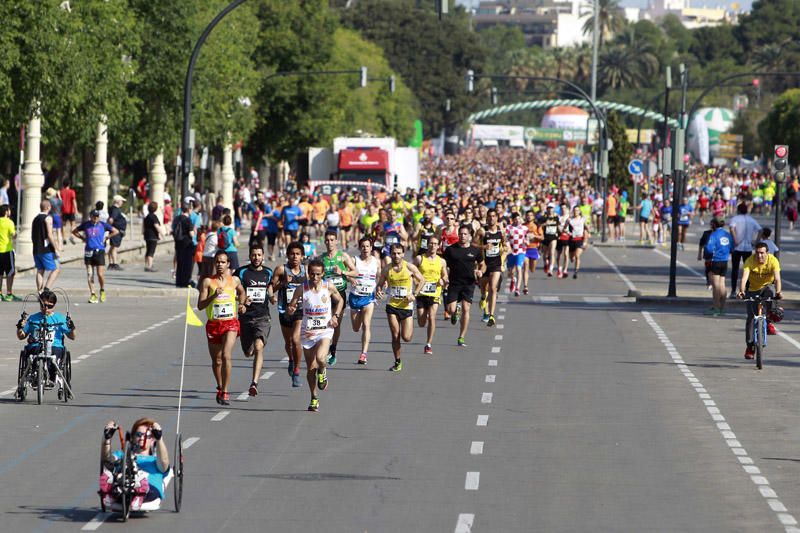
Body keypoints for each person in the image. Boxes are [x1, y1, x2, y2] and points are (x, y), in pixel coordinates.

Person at [286, 258, 344, 412]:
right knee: (311, 367)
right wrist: (291, 310)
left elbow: (340, 301)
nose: (315, 277)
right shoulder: (302, 289)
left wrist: (335, 316)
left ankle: (323, 370)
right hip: (308, 332)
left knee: (320, 358)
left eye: (318, 274)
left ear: (323, 274)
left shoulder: (328, 287)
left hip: (325, 330)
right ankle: (314, 397)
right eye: (312, 274)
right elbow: (291, 305)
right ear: (308, 273)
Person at [198, 250, 247, 405]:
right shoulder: (208, 282)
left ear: (228, 264)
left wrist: (242, 304)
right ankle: (219, 386)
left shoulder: (234, 280)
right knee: (217, 361)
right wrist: (213, 296)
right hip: (213, 324)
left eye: (223, 262)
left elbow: (242, 292)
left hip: (230, 323)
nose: (220, 265)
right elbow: (200, 305)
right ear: (214, 263)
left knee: (226, 355)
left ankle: (225, 391)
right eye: (217, 262)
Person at [99, 418, 170, 511]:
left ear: (153, 440)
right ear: (132, 437)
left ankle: (139, 489)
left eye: (147, 436)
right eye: (139, 434)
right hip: (123, 485)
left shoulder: (155, 460)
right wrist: (107, 440)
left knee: (141, 479)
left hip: (150, 489)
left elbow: (164, 463)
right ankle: (111, 492)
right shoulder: (122, 455)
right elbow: (107, 460)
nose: (141, 438)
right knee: (113, 474)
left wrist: (159, 439)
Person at [16, 289, 76, 398]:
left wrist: (72, 327)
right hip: (35, 346)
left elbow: (72, 337)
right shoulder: (33, 318)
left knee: (53, 355)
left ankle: (52, 376)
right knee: (32, 353)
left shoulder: (60, 318)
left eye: (49, 306)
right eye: (43, 305)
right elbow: (21, 336)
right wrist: (20, 327)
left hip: (55, 346)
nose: (46, 308)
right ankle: (35, 374)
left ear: (54, 305)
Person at [376, 243, 425, 371]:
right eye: (394, 253)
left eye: (399, 253)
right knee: (395, 335)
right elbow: (380, 284)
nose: (396, 256)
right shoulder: (387, 269)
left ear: (403, 254)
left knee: (407, 337)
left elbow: (422, 280)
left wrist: (414, 294)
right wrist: (379, 291)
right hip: (392, 305)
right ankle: (397, 361)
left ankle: (399, 357)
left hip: (406, 306)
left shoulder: (409, 267)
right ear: (390, 254)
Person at [235, 245, 274, 397]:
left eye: (259, 255)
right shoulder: (241, 272)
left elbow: (270, 288)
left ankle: (254, 383)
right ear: (250, 256)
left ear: (263, 256)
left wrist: (271, 297)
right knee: (248, 352)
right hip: (246, 317)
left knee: (259, 347)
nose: (256, 258)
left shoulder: (268, 272)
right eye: (254, 255)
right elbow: (233, 290)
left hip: (262, 317)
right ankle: (249, 348)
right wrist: (242, 300)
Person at [738, 242, 782, 359]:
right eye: (757, 253)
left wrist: (778, 292)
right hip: (752, 290)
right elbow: (744, 278)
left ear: (767, 253)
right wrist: (741, 291)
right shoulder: (750, 261)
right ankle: (750, 346)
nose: (759, 256)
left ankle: (769, 320)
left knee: (771, 294)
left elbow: (777, 279)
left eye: (762, 253)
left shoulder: (773, 261)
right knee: (751, 318)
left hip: (767, 287)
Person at [443, 225, 485, 347]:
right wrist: (444, 276)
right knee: (450, 310)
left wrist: (480, 271)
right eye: (460, 234)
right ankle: (456, 311)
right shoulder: (451, 250)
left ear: (470, 236)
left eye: (465, 234)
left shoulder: (475, 250)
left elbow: (482, 264)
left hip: (469, 283)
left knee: (467, 309)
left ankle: (461, 337)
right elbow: (443, 265)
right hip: (454, 283)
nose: (462, 236)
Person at [272, 242, 306, 387]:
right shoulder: (281, 269)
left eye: (298, 254)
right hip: (284, 310)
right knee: (289, 343)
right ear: (287, 255)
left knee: (296, 339)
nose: (295, 257)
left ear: (302, 256)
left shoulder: (306, 271)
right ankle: (291, 360)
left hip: (300, 310)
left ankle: (297, 370)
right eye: (292, 254)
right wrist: (283, 283)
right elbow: (271, 288)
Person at [342, 237, 380, 364]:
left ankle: (363, 353)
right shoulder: (354, 260)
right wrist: (350, 279)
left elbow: (380, 277)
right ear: (360, 248)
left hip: (368, 297)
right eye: (363, 246)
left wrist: (381, 287)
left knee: (366, 324)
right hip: (355, 297)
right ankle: (363, 352)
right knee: (356, 328)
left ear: (371, 247)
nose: (365, 249)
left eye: (368, 246)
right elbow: (346, 274)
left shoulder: (376, 261)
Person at [320, 230, 352, 366]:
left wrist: (343, 272)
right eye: (327, 240)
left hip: (340, 293)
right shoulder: (321, 258)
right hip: (326, 295)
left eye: (332, 240)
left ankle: (333, 348)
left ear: (337, 241)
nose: (330, 242)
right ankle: (325, 348)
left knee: (335, 324)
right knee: (326, 322)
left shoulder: (342, 256)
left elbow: (355, 271)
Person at [73, 210, 118, 303]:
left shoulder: (103, 224)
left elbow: (115, 231)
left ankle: (102, 290)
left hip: (99, 250)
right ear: (91, 216)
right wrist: (82, 238)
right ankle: (93, 294)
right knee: (90, 273)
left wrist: (107, 237)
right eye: (94, 216)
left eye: (97, 216)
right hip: (89, 251)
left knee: (100, 274)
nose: (96, 218)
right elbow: (74, 231)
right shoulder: (86, 224)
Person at [415, 235, 448, 353]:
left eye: (435, 244)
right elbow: (412, 272)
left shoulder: (441, 261)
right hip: (421, 293)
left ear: (438, 246)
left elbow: (445, 275)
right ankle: (425, 317)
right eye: (431, 243)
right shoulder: (420, 259)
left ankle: (428, 344)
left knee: (432, 317)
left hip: (435, 292)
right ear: (427, 245)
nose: (433, 246)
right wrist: (415, 281)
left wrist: (443, 280)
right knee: (421, 322)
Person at [728, 203, 761, 298]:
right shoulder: (752, 220)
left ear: (738, 210)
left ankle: (733, 291)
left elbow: (731, 228)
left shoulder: (735, 219)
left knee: (735, 269)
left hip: (737, 247)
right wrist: (756, 241)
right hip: (748, 247)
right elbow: (760, 230)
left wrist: (735, 240)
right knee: (747, 270)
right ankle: (747, 290)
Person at [478, 209, 505, 325]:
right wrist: (483, 247)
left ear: (497, 218)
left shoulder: (501, 232)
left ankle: (491, 315)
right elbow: (473, 244)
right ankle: (483, 296)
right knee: (484, 287)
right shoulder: (482, 231)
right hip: (484, 264)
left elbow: (505, 244)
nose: (491, 218)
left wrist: (504, 249)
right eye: (489, 216)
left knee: (493, 288)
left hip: (496, 264)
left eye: (494, 216)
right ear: (486, 218)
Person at [703, 218, 733, 316]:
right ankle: (723, 307)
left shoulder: (714, 235)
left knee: (716, 286)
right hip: (725, 260)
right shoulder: (727, 234)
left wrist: (708, 253)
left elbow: (709, 248)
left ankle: (716, 307)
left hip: (716, 260)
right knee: (722, 284)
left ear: (714, 225)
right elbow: (732, 246)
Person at [32, 199, 61, 292]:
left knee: (40, 270)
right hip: (46, 249)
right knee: (57, 269)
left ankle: (40, 292)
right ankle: (46, 290)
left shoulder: (35, 218)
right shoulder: (48, 218)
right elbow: (49, 234)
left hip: (36, 249)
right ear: (48, 207)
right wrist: (56, 248)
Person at [173, 201, 196, 288]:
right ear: (189, 209)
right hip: (187, 244)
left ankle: (178, 281)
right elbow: (191, 234)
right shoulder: (187, 220)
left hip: (178, 243)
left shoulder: (176, 219)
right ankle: (185, 281)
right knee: (187, 263)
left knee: (180, 262)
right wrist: (194, 231)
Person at [0, 204, 20, 301]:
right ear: (6, 212)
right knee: (10, 273)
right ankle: (9, 293)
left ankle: (0, 294)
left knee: (0, 273)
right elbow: (13, 235)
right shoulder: (9, 222)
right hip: (7, 251)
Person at [505, 212, 528, 296]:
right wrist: (507, 237)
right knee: (511, 271)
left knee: (519, 268)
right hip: (511, 251)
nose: (517, 220)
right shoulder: (508, 227)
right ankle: (513, 280)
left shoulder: (524, 228)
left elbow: (526, 237)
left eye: (519, 218)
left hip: (521, 251)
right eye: (515, 219)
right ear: (512, 220)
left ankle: (517, 289)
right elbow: (504, 238)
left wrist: (527, 241)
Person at [107, 195, 128, 270]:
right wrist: (109, 227)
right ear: (118, 201)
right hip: (116, 231)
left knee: (113, 247)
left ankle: (111, 263)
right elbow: (111, 220)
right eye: (122, 201)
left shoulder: (115, 209)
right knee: (114, 247)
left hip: (116, 230)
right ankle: (115, 263)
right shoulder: (115, 210)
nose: (122, 203)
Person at [567, 205, 588, 278]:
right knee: (572, 258)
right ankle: (573, 261)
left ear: (579, 212)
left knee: (577, 256)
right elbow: (565, 228)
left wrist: (585, 241)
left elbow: (586, 229)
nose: (576, 212)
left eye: (577, 210)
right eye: (575, 210)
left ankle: (576, 271)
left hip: (580, 239)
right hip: (572, 240)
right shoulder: (570, 220)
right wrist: (566, 231)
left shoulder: (582, 219)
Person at [142, 202, 162, 272]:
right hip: (153, 235)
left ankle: (146, 265)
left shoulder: (147, 217)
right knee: (151, 251)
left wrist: (143, 233)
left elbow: (143, 226)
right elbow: (156, 226)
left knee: (148, 250)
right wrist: (161, 233)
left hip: (147, 235)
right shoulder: (154, 217)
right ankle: (150, 266)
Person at [59, 178, 78, 245]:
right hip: (71, 211)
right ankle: (71, 236)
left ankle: (64, 238)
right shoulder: (72, 192)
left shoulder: (61, 192)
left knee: (63, 225)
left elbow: (59, 202)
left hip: (63, 210)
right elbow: (73, 201)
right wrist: (76, 210)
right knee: (72, 224)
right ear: (69, 184)